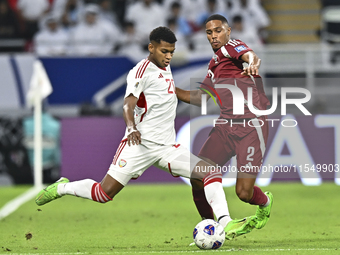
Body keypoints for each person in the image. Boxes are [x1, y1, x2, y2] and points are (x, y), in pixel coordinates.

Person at [35, 26, 257, 240]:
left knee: (209, 172)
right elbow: (127, 105)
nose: (168, 56)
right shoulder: (140, 72)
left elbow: (175, 95)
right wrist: (131, 127)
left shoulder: (165, 67)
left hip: (167, 147)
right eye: (164, 51)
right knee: (103, 194)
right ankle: (62, 187)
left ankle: (225, 223)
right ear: (151, 48)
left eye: (171, 52)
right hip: (139, 145)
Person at [176, 14, 274, 230]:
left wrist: (252, 64)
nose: (214, 36)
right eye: (209, 32)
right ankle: (210, 229)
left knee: (243, 193)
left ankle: (265, 202)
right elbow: (200, 98)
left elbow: (252, 56)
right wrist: (170, 89)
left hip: (251, 126)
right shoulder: (213, 66)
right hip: (226, 127)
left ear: (228, 32)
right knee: (197, 176)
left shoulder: (232, 47)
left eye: (218, 30)